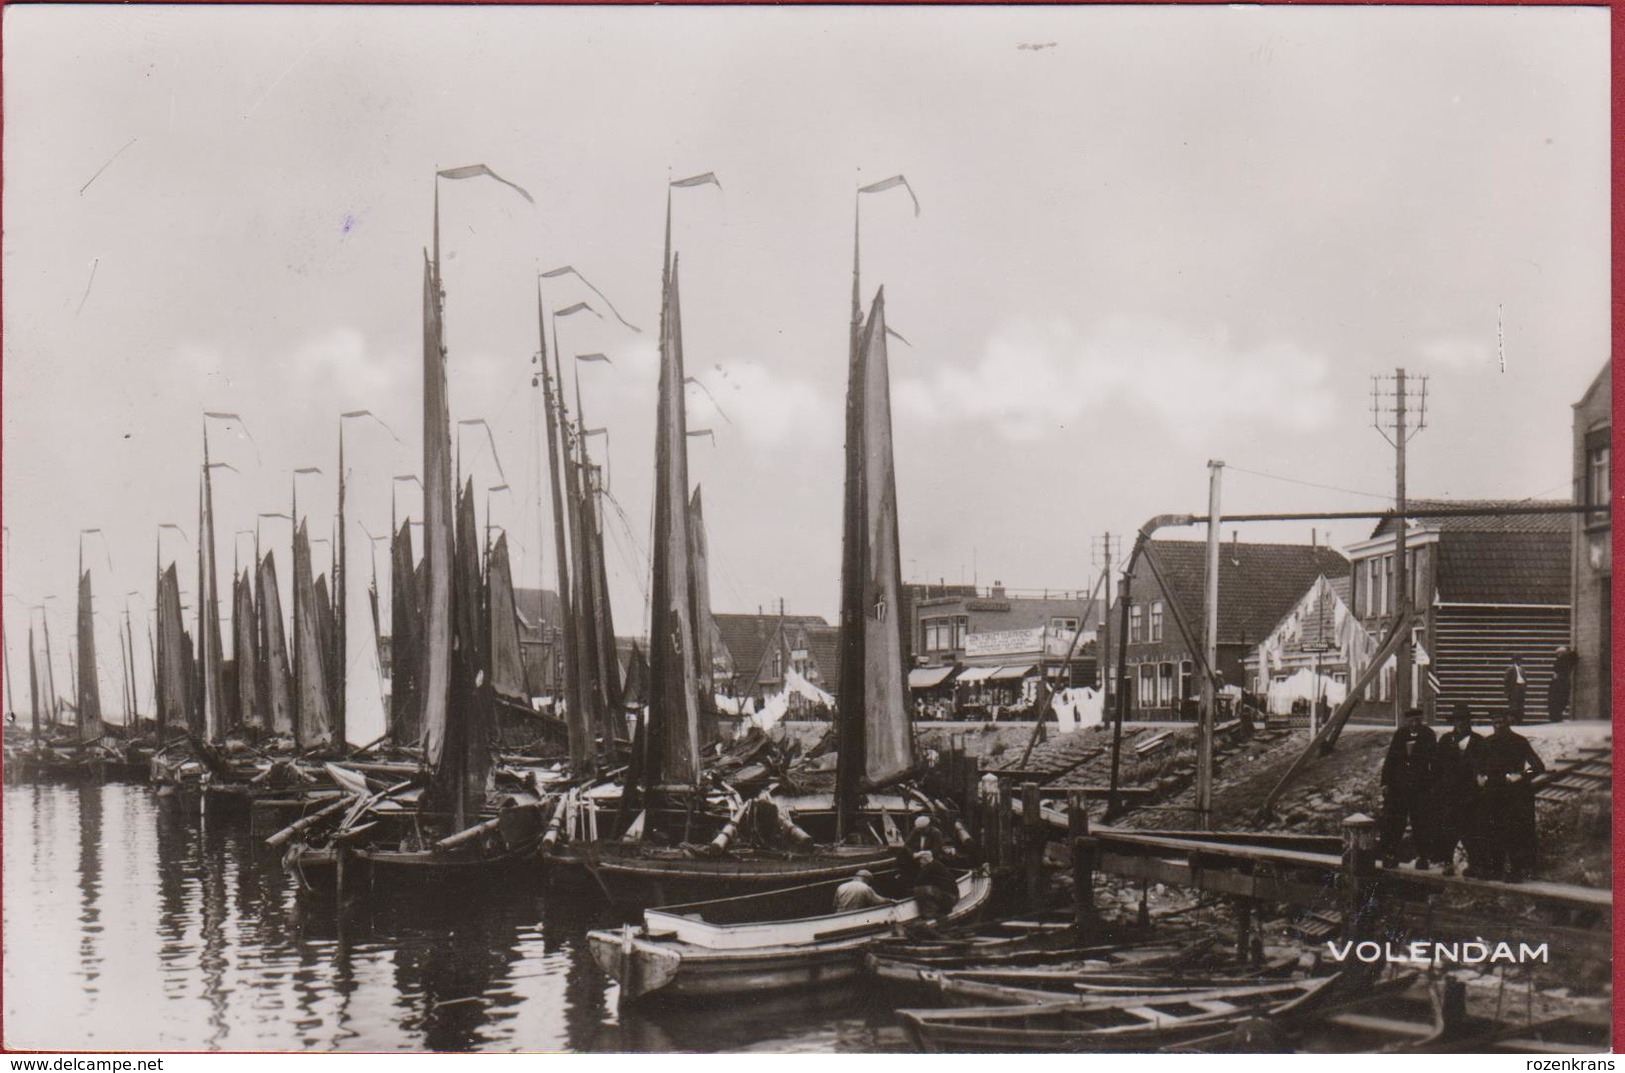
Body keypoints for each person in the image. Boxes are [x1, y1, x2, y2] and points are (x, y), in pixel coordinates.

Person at [1475, 712, 1546, 882]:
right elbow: (1478, 765)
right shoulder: (1488, 742)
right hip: (1493, 793)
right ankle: (1496, 869)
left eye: (1501, 722)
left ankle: (1516, 871)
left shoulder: (1519, 741)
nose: (1498, 726)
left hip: (1514, 794)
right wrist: (1479, 775)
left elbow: (1538, 767)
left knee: (1515, 833)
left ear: (1508, 722)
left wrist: (1521, 775)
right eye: (1495, 722)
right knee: (1493, 831)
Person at [1427, 703, 1483, 877]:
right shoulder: (1445, 740)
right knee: (1447, 829)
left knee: (1471, 830)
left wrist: (1481, 777)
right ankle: (1447, 863)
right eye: (1457, 721)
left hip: (1470, 794)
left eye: (1464, 721)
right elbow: (1436, 766)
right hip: (1449, 793)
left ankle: (1474, 864)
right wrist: (1437, 788)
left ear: (1469, 722)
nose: (1460, 724)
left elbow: (1484, 765)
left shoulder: (1479, 741)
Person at [1379, 707, 1437, 869]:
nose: (1414, 724)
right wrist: (1385, 783)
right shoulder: (1400, 734)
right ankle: (1390, 854)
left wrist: (1432, 784)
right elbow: (1390, 760)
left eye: (1417, 721)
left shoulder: (1428, 735)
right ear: (1406, 722)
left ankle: (1423, 857)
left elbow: (1434, 761)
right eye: (1411, 721)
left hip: (1421, 788)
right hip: (1399, 788)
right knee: (1394, 821)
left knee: (1421, 822)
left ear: (1422, 720)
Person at [911, 850, 959, 920]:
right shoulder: (936, 864)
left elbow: (918, 881)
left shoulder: (930, 867)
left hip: (950, 898)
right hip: (951, 896)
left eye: (920, 860)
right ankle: (937, 909)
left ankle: (929, 913)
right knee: (928, 889)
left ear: (925, 859)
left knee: (919, 890)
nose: (919, 862)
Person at [1549, 646, 1577, 722]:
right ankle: (1557, 716)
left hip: (1559, 683)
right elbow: (1574, 656)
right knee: (1562, 699)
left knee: (1557, 700)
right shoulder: (1566, 661)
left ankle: (1556, 716)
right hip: (1563, 682)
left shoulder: (1560, 661)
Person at [1503, 656, 1528, 724]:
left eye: (1520, 660)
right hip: (1514, 688)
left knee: (1521, 705)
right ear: (1515, 661)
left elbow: (1525, 679)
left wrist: (1524, 687)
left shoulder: (1522, 669)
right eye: (1518, 660)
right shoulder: (1510, 669)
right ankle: (1514, 721)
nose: (1519, 662)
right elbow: (1506, 680)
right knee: (1514, 706)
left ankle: (1520, 720)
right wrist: (1507, 691)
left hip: (1521, 687)